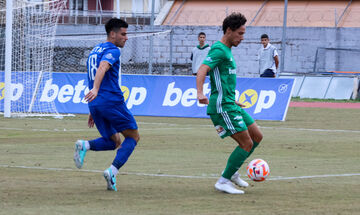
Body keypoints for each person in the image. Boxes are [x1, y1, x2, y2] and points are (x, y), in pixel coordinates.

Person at [196, 13, 263, 194]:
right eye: (240, 34)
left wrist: (232, 99)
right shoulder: (218, 50)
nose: (242, 38)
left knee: (257, 136)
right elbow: (202, 69)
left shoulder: (227, 51)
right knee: (246, 143)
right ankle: (223, 181)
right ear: (228, 30)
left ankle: (232, 172)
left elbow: (222, 80)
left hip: (230, 104)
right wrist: (200, 92)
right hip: (222, 107)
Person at [73, 18, 140, 192]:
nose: (126, 38)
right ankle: (112, 171)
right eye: (123, 34)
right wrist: (96, 89)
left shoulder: (94, 50)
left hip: (96, 103)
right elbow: (102, 68)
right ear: (113, 34)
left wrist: (93, 103)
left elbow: (92, 73)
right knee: (133, 137)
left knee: (114, 141)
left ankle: (84, 145)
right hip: (111, 100)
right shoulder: (113, 50)